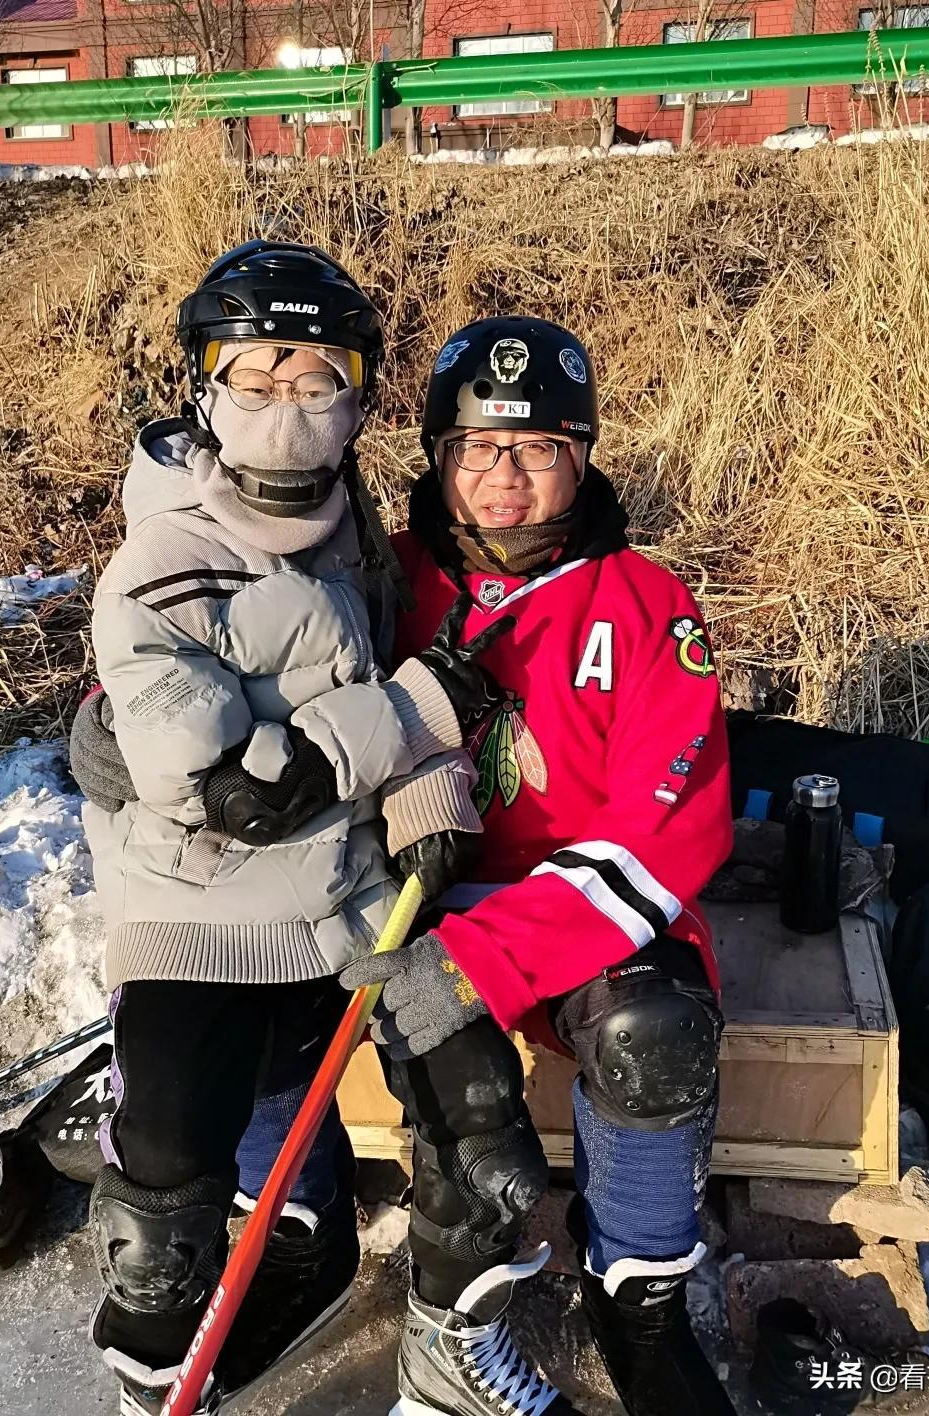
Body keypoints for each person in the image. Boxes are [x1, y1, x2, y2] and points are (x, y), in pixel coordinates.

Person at [76, 240, 498, 1416]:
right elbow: (246, 786)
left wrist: (429, 798)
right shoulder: (163, 552)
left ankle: (426, 1322)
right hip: (195, 908)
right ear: (204, 386)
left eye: (316, 377)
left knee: (460, 1102)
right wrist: (417, 712)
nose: (287, 406)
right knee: (162, 1199)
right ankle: (152, 1373)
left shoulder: (361, 532)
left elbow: (385, 668)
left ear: (359, 393)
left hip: (348, 899)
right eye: (255, 374)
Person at [340, 316, 736, 1416]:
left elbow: (673, 832)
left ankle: (639, 1303)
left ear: (584, 455)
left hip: (582, 908)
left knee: (652, 1032)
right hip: (422, 892)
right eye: (479, 448)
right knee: (438, 1058)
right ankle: (444, 1322)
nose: (507, 478)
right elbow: (249, 642)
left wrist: (486, 958)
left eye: (540, 449)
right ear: (435, 453)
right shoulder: (377, 580)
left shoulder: (648, 606)